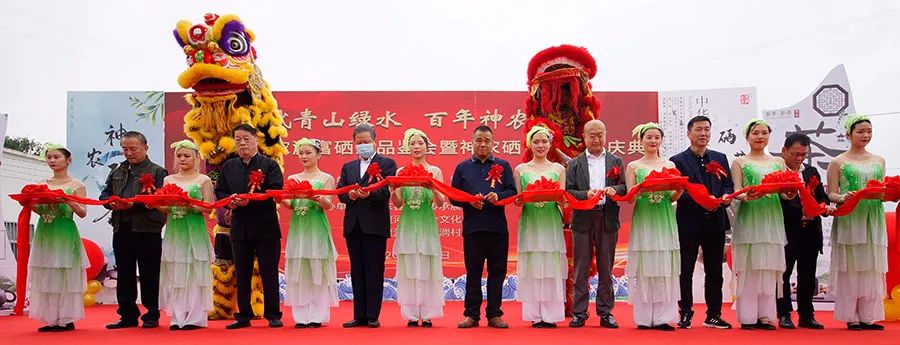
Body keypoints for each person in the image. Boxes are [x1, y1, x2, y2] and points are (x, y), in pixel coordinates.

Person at [215, 124, 284, 329]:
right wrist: (230, 202)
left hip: (265, 226)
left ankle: (273, 314)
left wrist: (250, 200)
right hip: (240, 227)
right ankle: (243, 315)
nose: (242, 143)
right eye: (238, 140)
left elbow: (275, 190)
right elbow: (221, 191)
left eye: (246, 139)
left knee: (268, 271)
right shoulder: (229, 166)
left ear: (256, 140)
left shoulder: (269, 164)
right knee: (242, 272)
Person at [669, 115, 734, 329]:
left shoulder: (720, 157)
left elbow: (728, 185)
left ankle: (713, 314)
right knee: (685, 270)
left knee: (714, 271)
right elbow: (679, 191)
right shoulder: (678, 160)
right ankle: (685, 313)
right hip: (689, 220)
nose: (703, 133)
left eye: (707, 129)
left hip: (716, 220)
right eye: (698, 129)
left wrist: (725, 197)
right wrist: (703, 201)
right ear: (689, 133)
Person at [100, 131, 167, 329]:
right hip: (122, 228)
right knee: (125, 273)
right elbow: (105, 193)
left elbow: (161, 199)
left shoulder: (157, 172)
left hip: (148, 229)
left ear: (145, 148)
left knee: (149, 274)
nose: (128, 153)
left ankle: (151, 315)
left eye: (133, 149)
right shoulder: (118, 170)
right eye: (125, 149)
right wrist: (110, 202)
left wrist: (132, 205)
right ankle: (127, 315)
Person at [451, 125, 516, 329]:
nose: (483, 144)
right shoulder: (462, 167)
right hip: (473, 229)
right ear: (472, 142)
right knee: (473, 273)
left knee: (497, 272)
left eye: (487, 140)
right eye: (479, 140)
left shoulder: (503, 165)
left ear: (493, 143)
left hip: (497, 229)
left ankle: (494, 314)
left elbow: (512, 191)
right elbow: (453, 196)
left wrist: (499, 196)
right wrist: (469, 202)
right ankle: (471, 315)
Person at [826, 114, 887, 330]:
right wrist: (844, 197)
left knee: (870, 265)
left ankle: (868, 316)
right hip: (850, 217)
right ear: (848, 134)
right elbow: (831, 194)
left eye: (869, 131)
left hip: (873, 217)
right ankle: (851, 316)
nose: (865, 135)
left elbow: (882, 190)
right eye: (860, 131)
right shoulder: (838, 162)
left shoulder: (879, 161)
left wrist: (889, 194)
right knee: (850, 265)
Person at [565, 119, 626, 328]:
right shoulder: (575, 163)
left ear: (606, 135)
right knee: (581, 267)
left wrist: (614, 190)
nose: (596, 139)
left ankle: (605, 312)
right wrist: (585, 194)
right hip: (583, 217)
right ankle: (579, 313)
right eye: (592, 135)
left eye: (600, 135)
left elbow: (624, 187)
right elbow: (568, 191)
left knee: (606, 267)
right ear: (584, 137)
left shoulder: (615, 161)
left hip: (607, 217)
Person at [337, 123, 397, 328]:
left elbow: (386, 192)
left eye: (366, 141)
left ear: (374, 142)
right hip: (353, 225)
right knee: (357, 270)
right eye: (359, 142)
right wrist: (351, 195)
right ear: (354, 143)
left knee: (374, 270)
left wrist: (368, 194)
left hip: (375, 225)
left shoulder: (387, 163)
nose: (363, 145)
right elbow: (341, 193)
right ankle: (359, 315)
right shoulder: (348, 167)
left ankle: (372, 315)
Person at [623, 123, 682, 331]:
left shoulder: (669, 165)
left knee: (664, 267)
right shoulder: (633, 166)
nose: (653, 141)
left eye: (657, 137)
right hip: (644, 219)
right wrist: (639, 190)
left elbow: (671, 197)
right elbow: (630, 198)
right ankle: (644, 318)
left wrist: (679, 190)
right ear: (640, 140)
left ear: (661, 140)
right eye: (649, 137)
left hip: (664, 218)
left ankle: (663, 317)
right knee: (646, 267)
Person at [730, 119, 788, 330]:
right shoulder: (740, 162)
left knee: (768, 267)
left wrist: (790, 193)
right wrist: (747, 196)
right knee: (750, 267)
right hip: (750, 216)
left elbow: (784, 192)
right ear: (747, 137)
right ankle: (748, 317)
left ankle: (765, 316)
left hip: (771, 217)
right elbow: (737, 190)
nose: (760, 137)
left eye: (764, 133)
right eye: (755, 133)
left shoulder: (778, 162)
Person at [28, 145, 88, 332]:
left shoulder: (76, 185)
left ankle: (66, 319)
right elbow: (40, 210)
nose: (52, 160)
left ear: (68, 160)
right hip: (45, 231)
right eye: (49, 157)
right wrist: (29, 202)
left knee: (64, 275)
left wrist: (68, 200)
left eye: (56, 157)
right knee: (47, 275)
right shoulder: (41, 183)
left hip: (64, 231)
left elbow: (83, 212)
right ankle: (51, 319)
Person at [281, 138, 339, 328]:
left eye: (308, 153)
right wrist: (279, 199)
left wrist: (316, 198)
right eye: (301, 153)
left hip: (316, 227)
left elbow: (328, 205)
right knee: (301, 271)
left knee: (317, 271)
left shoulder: (326, 178)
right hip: (298, 228)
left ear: (318, 155)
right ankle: (301, 316)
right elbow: (291, 205)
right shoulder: (293, 178)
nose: (304, 156)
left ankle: (317, 315)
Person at [391, 128, 446, 327]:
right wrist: (393, 191)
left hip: (426, 222)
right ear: (407, 147)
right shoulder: (400, 172)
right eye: (413, 143)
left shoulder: (435, 171)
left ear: (427, 146)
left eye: (420, 143)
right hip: (407, 223)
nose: (417, 147)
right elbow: (398, 204)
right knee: (409, 267)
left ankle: (428, 313)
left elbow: (440, 202)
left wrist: (432, 188)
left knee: (427, 267)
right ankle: (412, 314)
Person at [513, 126, 567, 328]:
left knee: (551, 265)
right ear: (529, 144)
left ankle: (551, 315)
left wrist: (562, 200)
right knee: (533, 265)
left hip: (550, 222)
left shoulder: (558, 169)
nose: (540, 145)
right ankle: (535, 315)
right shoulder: (521, 170)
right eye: (536, 142)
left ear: (550, 144)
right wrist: (521, 200)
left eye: (544, 141)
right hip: (531, 223)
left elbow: (562, 198)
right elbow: (518, 200)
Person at [157, 140, 214, 330]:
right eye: (179, 156)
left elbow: (208, 207)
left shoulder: (203, 180)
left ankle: (195, 318)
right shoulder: (168, 180)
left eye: (186, 156)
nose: (182, 159)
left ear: (196, 158)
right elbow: (166, 208)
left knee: (195, 273)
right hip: (175, 230)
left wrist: (190, 205)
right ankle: (177, 317)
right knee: (177, 273)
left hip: (195, 230)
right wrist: (155, 205)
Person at [776, 133, 829, 330]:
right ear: (784, 151)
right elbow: (780, 202)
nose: (799, 158)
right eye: (795, 154)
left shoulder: (811, 171)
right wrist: (803, 211)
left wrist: (822, 206)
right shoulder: (778, 173)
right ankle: (784, 314)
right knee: (784, 273)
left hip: (811, 231)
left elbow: (822, 197)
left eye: (803, 155)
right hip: (788, 230)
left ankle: (807, 314)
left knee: (807, 273)